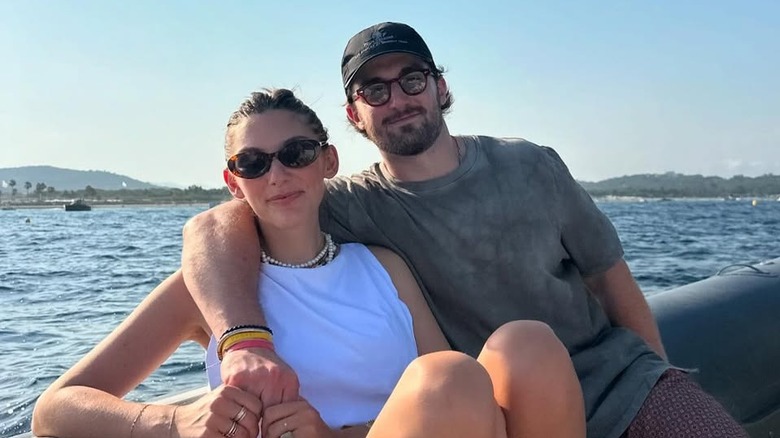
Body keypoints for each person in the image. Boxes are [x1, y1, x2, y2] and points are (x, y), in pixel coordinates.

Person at [180, 22, 749, 438]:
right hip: (504, 415)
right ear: (355, 116)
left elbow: (611, 279)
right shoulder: (347, 205)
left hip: (621, 387)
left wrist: (658, 374)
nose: (397, 99)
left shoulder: (532, 165)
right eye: (373, 91)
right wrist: (244, 341)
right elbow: (216, 228)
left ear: (440, 88)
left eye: (411, 79)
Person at [32, 89, 586, 438]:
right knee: (447, 377)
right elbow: (54, 410)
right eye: (253, 163)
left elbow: (460, 400)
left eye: (296, 154)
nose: (277, 175)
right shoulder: (209, 290)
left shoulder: (383, 266)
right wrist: (173, 420)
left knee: (526, 343)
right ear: (233, 183)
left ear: (328, 161)